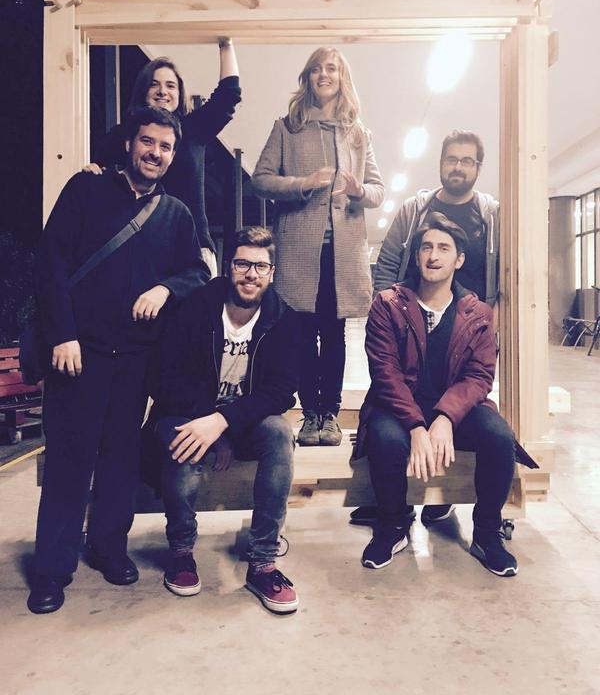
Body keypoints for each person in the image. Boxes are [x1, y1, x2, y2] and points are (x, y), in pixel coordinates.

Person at [27, 106, 210, 615]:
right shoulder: (85, 190)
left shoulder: (175, 214)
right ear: (129, 144)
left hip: (135, 361)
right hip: (77, 354)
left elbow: (197, 271)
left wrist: (166, 287)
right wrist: (62, 334)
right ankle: (51, 570)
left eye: (166, 147)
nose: (156, 153)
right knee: (69, 463)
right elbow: (50, 263)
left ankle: (108, 548)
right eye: (148, 142)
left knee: (120, 460)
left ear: (173, 156)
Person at [356, 213, 519, 577]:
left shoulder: (478, 312)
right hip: (399, 406)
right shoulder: (388, 303)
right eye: (426, 247)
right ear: (416, 256)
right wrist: (416, 425)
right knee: (385, 438)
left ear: (458, 259)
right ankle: (393, 525)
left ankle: (487, 533)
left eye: (444, 248)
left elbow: (479, 375)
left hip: (454, 408)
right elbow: (385, 373)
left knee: (499, 436)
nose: (433, 255)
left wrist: (445, 417)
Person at [147, 227, 300, 614]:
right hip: (185, 414)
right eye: (242, 264)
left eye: (260, 266)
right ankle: (181, 551)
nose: (251, 274)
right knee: (184, 443)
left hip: (239, 422)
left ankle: (263, 563)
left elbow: (282, 392)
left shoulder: (283, 319)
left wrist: (223, 422)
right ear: (228, 267)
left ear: (272, 272)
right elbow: (162, 378)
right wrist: (210, 425)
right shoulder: (194, 308)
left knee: (280, 434)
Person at [252, 47, 384, 447]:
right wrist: (303, 184)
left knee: (335, 333)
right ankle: (310, 414)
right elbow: (260, 179)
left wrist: (361, 191)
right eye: (316, 70)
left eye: (332, 69)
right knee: (302, 333)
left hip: (343, 254)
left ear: (342, 79)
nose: (324, 75)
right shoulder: (287, 128)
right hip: (299, 251)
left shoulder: (358, 133)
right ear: (307, 78)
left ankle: (331, 414)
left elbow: (378, 190)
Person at [86, 39, 241, 276]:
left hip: (192, 246)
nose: (162, 91)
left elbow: (228, 94)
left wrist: (226, 45)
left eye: (170, 85)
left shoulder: (194, 129)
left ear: (180, 93)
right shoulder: (126, 133)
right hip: (141, 246)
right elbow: (99, 168)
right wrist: (93, 170)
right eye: (154, 84)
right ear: (143, 91)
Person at [373, 129, 498, 307]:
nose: (458, 167)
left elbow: (505, 274)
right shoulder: (413, 210)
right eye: (451, 159)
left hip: (473, 321)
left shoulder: (492, 217)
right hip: (411, 319)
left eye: (467, 161)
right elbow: (387, 266)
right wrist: (385, 312)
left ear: (478, 168)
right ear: (441, 163)